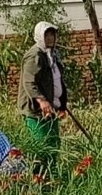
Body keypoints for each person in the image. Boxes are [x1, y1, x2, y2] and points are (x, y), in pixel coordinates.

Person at [17, 21, 67, 176]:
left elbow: (55, 79)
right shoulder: (35, 55)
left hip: (51, 108)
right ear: (40, 36)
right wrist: (42, 100)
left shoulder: (51, 54)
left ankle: (52, 176)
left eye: (52, 34)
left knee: (53, 144)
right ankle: (39, 178)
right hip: (37, 111)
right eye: (47, 34)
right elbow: (29, 82)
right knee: (42, 146)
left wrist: (61, 102)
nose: (51, 38)